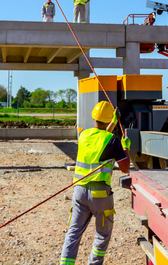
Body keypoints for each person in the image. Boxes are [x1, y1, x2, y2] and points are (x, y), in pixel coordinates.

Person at [60, 101, 130, 265]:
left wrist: (112, 122)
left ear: (94, 117)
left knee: (74, 232)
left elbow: (100, 138)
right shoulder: (113, 140)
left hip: (79, 192)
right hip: (100, 195)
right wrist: (126, 147)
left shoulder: (83, 135)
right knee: (102, 235)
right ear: (108, 120)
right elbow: (125, 167)